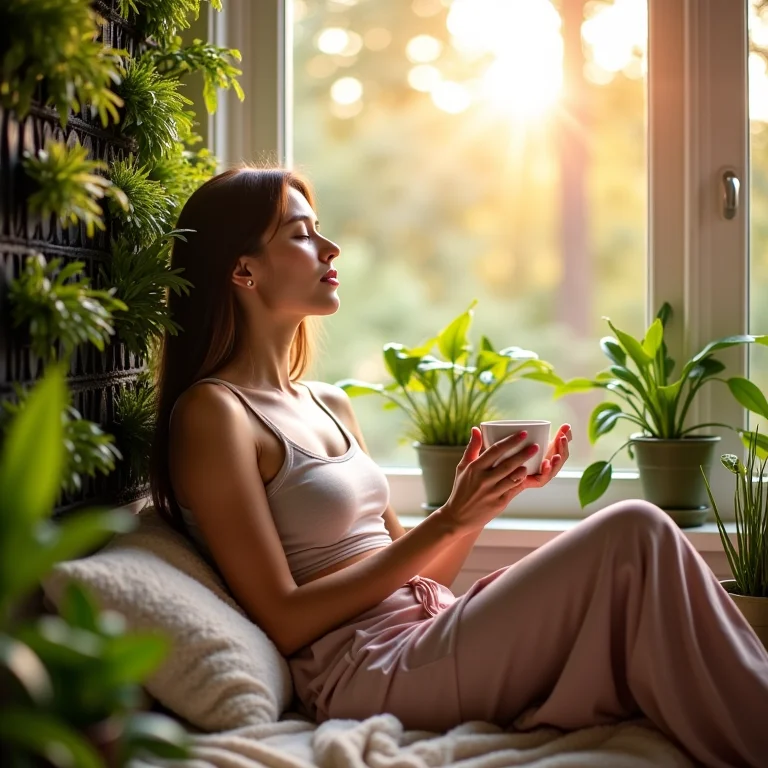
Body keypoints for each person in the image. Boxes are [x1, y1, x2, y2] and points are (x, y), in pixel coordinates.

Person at [149, 166, 768, 768]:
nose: (330, 247)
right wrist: (447, 519)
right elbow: (284, 621)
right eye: (301, 234)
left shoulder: (329, 403)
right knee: (636, 530)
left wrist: (478, 507)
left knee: (639, 556)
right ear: (244, 269)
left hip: (433, 624)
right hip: (368, 670)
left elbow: (420, 572)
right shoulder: (214, 414)